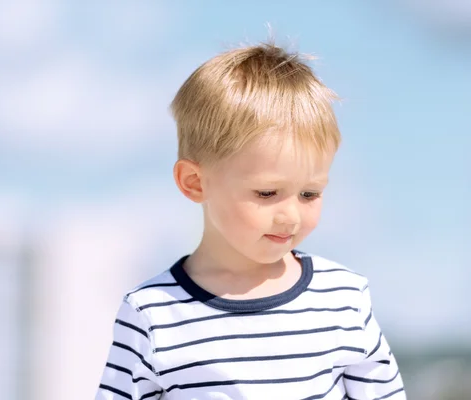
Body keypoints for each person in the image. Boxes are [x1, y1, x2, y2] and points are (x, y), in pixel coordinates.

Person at [95, 40, 406, 399]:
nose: (290, 216)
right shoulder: (152, 313)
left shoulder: (343, 298)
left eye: (309, 194)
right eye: (267, 193)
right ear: (195, 183)